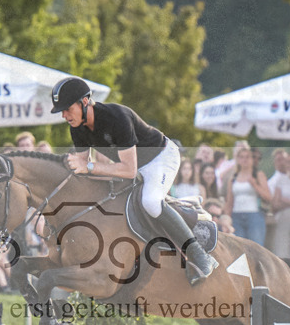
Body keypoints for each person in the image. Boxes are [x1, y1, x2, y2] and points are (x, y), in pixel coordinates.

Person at [51, 77, 215, 284]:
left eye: (67, 109)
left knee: (151, 202)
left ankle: (199, 254)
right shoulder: (77, 127)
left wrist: (90, 166)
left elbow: (127, 170)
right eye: (62, 111)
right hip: (134, 166)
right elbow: (82, 167)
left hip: (160, 158)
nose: (64, 115)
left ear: (84, 102)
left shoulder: (116, 117)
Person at [223, 142, 272, 248]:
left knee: (256, 248)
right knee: (238, 248)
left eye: (247, 157)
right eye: (241, 157)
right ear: (238, 159)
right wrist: (226, 218)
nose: (244, 160)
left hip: (254, 215)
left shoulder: (258, 175)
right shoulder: (233, 178)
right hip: (236, 216)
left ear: (252, 159)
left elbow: (268, 197)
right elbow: (229, 202)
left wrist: (255, 185)